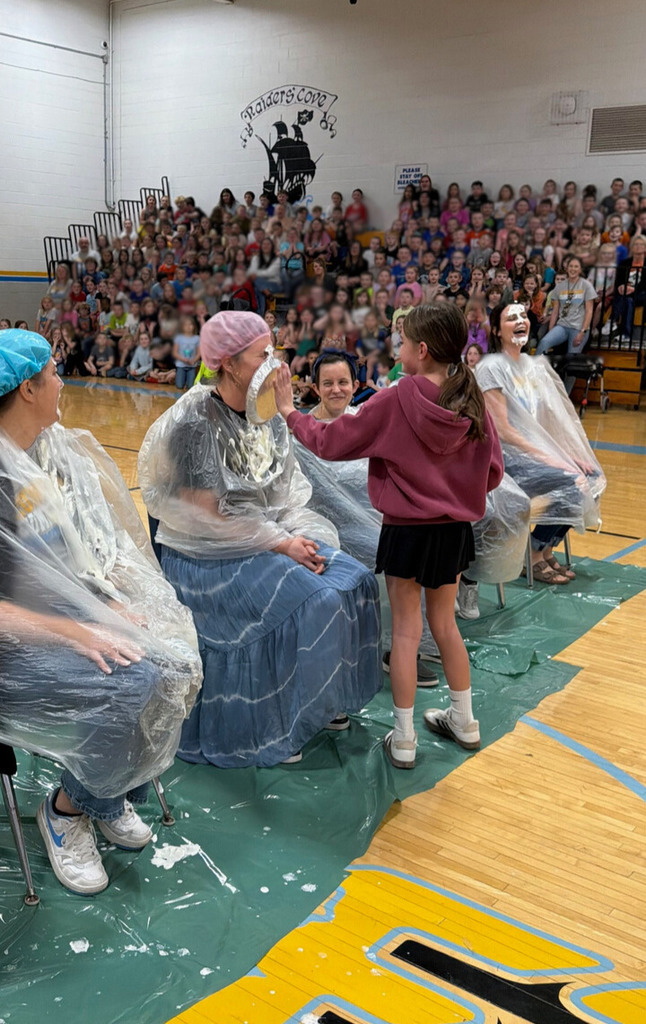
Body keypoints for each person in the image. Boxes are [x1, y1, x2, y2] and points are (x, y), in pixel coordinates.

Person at [0, 329, 201, 895]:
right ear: (27, 389)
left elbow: (62, 560)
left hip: (53, 625)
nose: (62, 382)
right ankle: (66, 810)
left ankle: (106, 793)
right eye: (53, 374)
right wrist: (74, 630)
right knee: (129, 683)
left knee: (172, 665)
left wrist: (106, 604)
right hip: (12, 649)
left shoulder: (40, 455)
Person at [139, 311, 382, 768]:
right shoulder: (194, 421)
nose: (275, 362)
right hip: (203, 556)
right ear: (229, 364)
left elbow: (283, 492)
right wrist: (280, 543)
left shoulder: (264, 411)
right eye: (262, 354)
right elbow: (205, 518)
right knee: (313, 600)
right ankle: (275, 725)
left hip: (260, 538)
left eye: (273, 350)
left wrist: (302, 534)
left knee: (353, 580)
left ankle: (318, 704)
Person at [274, 304, 504, 769]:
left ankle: (403, 739)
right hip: (454, 532)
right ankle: (465, 720)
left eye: (401, 342)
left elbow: (330, 442)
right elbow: (494, 472)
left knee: (404, 631)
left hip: (405, 532)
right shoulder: (472, 396)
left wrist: (288, 412)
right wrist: (454, 488)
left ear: (419, 350)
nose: (398, 350)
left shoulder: (398, 397)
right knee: (445, 626)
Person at [475, 304, 605, 585]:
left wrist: (568, 454)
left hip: (535, 453)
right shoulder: (490, 368)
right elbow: (503, 430)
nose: (520, 321)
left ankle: (546, 548)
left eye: (523, 316)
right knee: (571, 481)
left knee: (591, 476)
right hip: (506, 459)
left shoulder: (535, 368)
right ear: (497, 330)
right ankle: (532, 553)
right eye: (511, 318)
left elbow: (550, 423)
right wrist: (553, 459)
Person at [534, 257, 596, 357]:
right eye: (571, 266)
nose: (573, 269)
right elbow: (555, 311)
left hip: (578, 327)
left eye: (576, 266)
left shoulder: (586, 285)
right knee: (544, 342)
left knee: (571, 357)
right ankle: (533, 369)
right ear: (567, 269)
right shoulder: (559, 287)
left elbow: (589, 311)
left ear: (580, 269)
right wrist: (551, 330)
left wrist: (582, 332)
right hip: (562, 325)